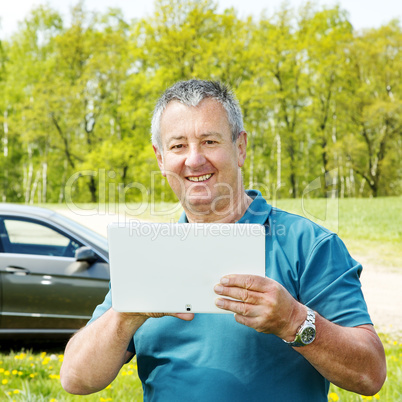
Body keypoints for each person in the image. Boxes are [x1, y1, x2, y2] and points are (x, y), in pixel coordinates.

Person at [60, 79, 386, 401]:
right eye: (178, 146)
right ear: (160, 159)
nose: (194, 159)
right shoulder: (150, 252)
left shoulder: (310, 244)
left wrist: (293, 321)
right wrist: (126, 315)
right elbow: (75, 378)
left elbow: (370, 375)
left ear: (240, 147)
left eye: (209, 141)